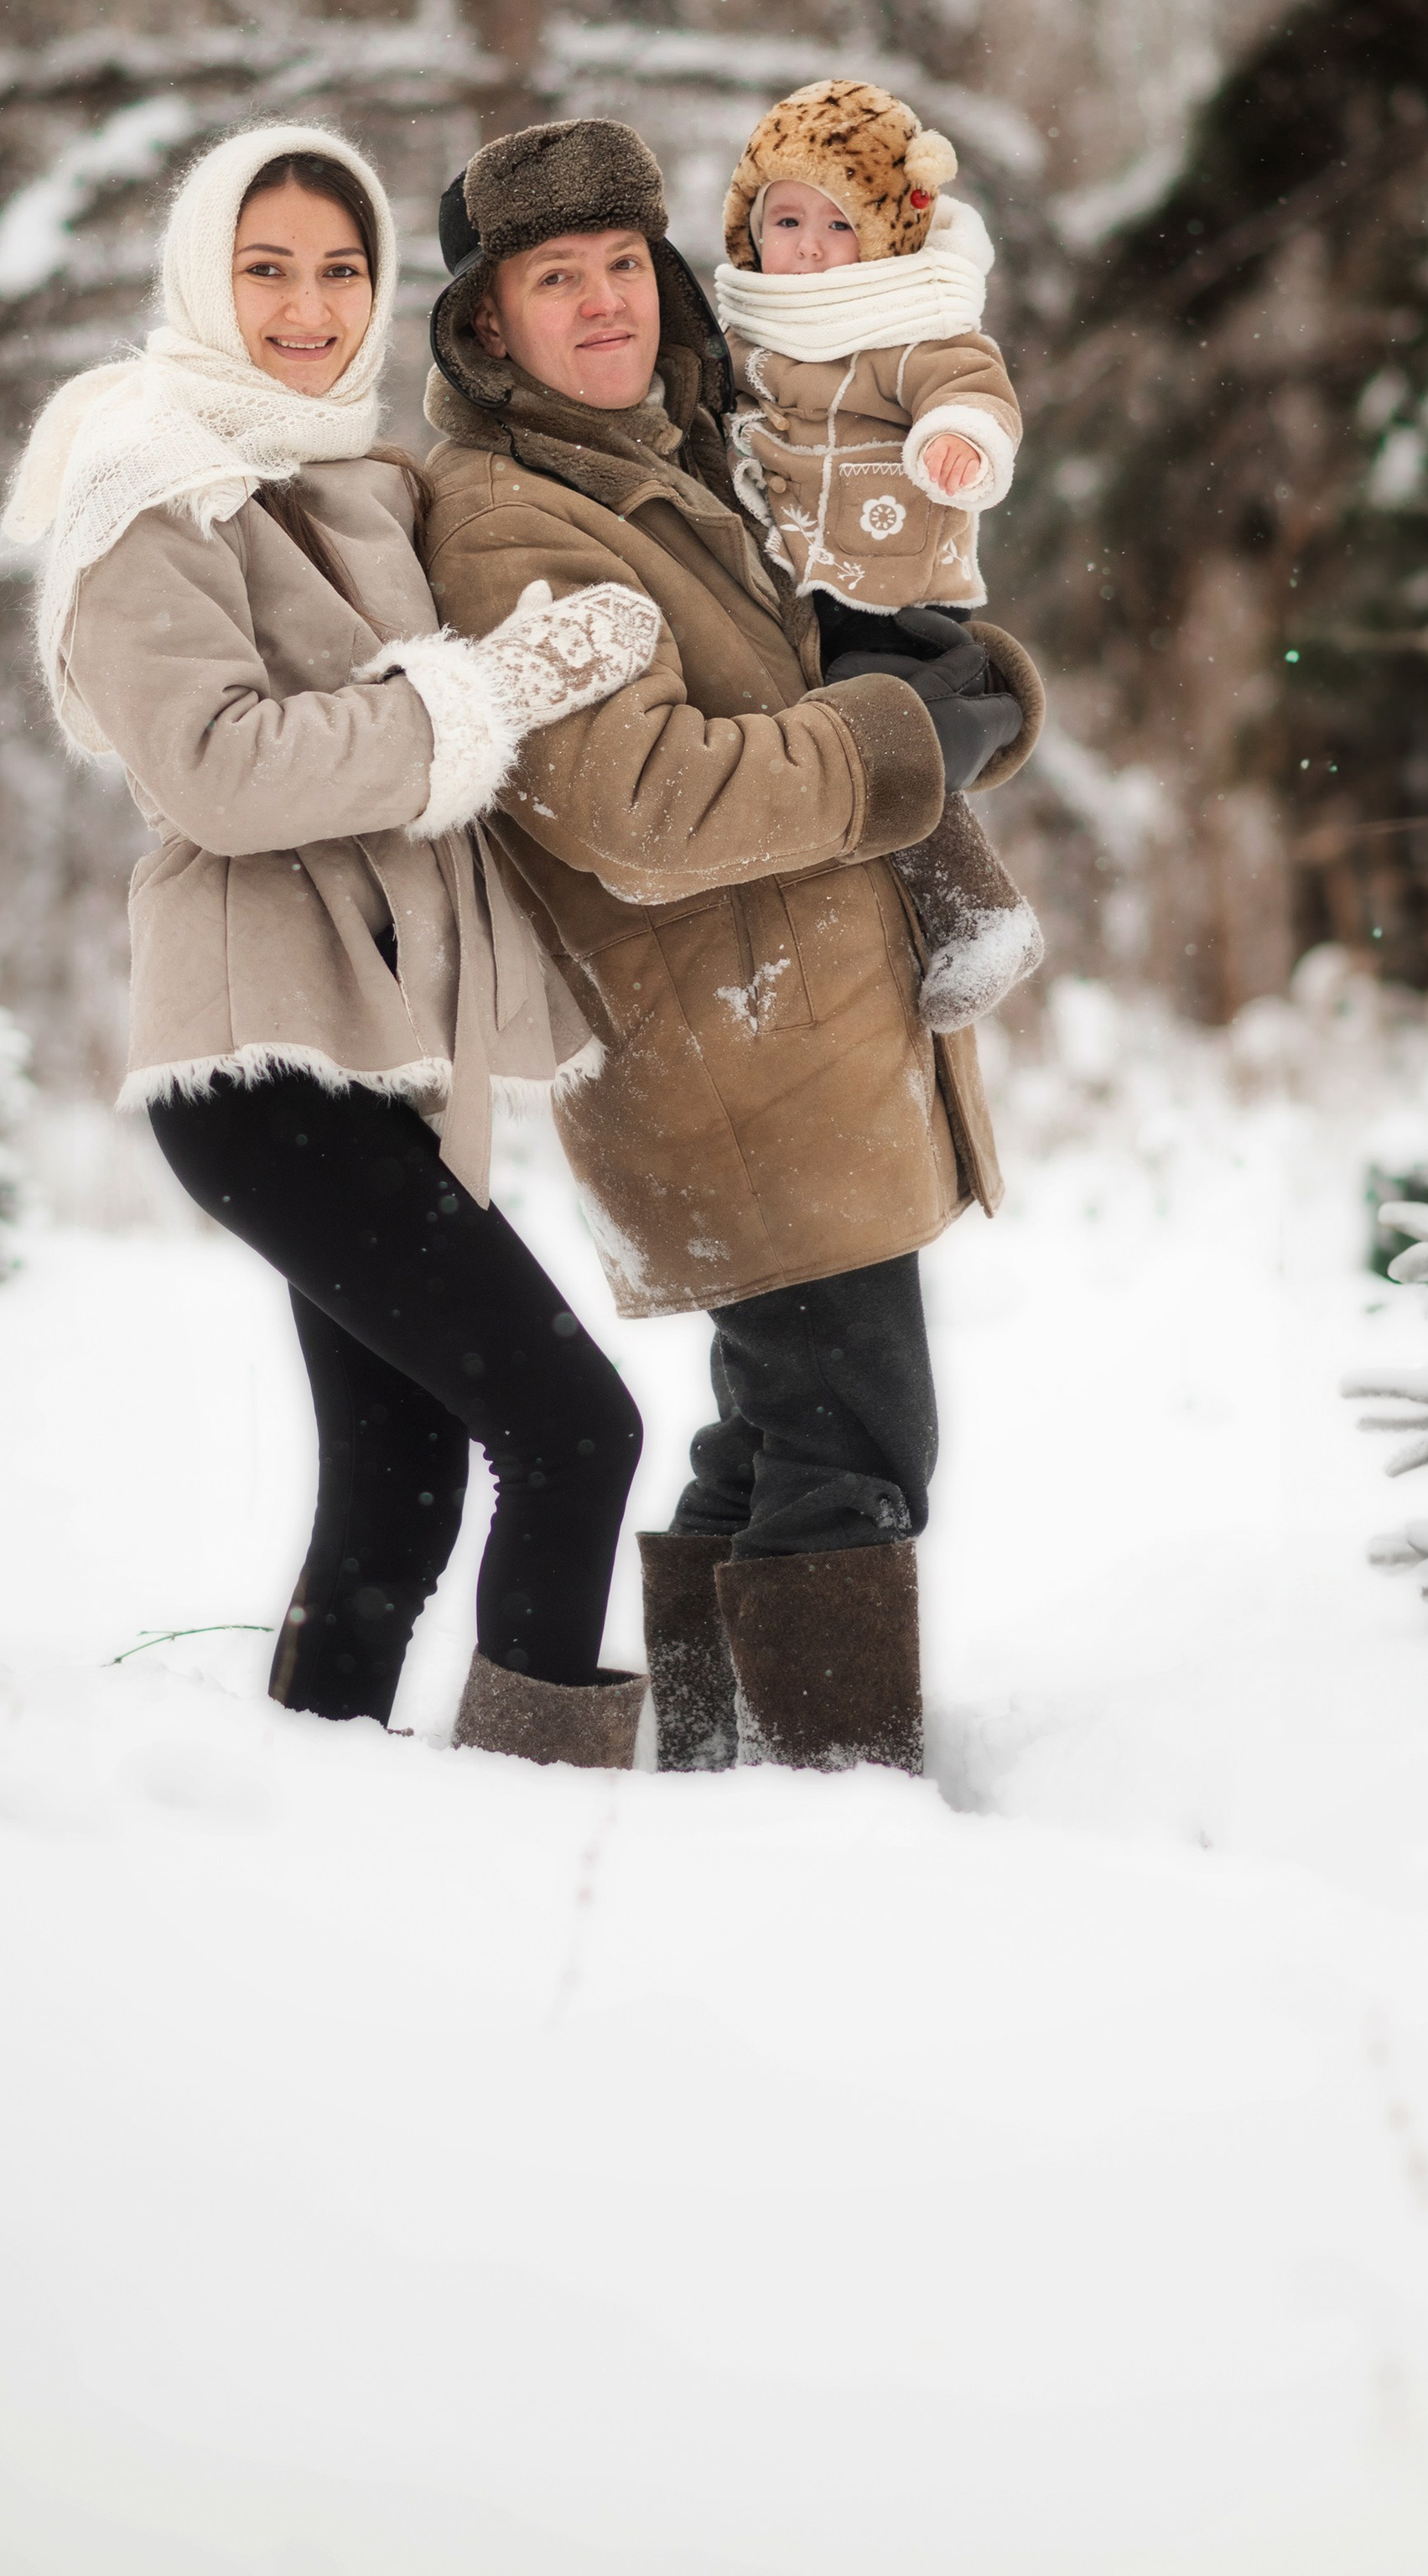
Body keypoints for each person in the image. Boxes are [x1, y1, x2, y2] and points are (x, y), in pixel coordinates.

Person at [1, 121, 665, 1767]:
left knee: (405, 1483)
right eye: (267, 267)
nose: (307, 305)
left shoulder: (358, 477)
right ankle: (538, 1817)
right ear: (201, 276)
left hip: (381, 1046)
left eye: (341, 269)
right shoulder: (148, 483)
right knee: (573, 1427)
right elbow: (219, 770)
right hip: (255, 1053)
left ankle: (309, 1813)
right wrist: (488, 687)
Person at [418, 116, 1044, 1775]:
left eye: (623, 263)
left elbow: (835, 643)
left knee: (780, 1424)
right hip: (721, 1039)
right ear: (488, 323)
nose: (606, 303)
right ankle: (834, 1797)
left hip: (792, 1025)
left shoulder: (692, 453)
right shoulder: (503, 521)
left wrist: (944, 689)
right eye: (557, 279)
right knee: (853, 1431)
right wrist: (901, 743)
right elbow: (639, 803)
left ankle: (711, 1761)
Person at [714, 75, 1046, 1031]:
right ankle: (877, 938)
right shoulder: (751, 332)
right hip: (801, 590)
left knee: (878, 733)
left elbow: (972, 386)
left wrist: (958, 440)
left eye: (838, 222)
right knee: (826, 751)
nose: (809, 247)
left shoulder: (907, 321)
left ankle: (980, 912)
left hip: (896, 588)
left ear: (886, 237)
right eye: (785, 221)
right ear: (750, 231)